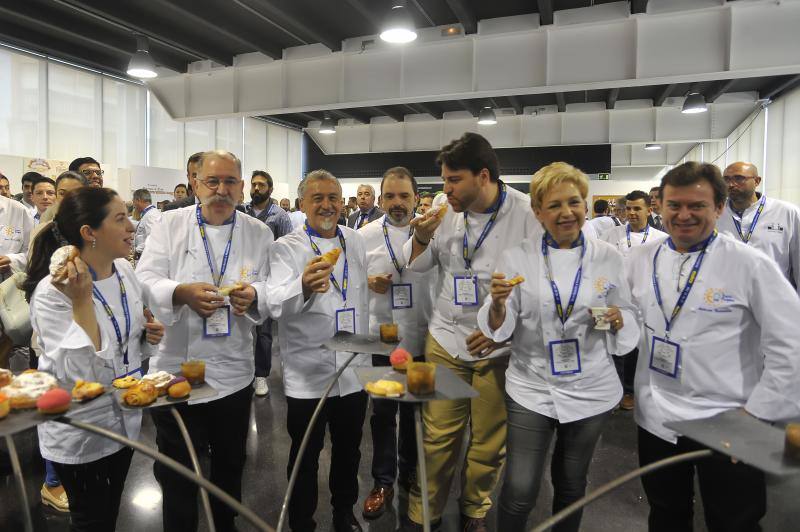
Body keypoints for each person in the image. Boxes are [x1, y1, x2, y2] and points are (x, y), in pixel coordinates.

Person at [627, 161, 800, 532]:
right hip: (658, 417)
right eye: (674, 205)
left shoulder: (750, 264)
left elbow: (792, 345)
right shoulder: (640, 259)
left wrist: (757, 416)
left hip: (731, 418)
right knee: (666, 514)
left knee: (734, 520)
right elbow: (622, 317)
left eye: (697, 206)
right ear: (660, 206)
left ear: (719, 208)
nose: (684, 215)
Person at [478, 162, 637, 532]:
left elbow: (626, 310)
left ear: (586, 203)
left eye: (575, 202)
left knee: (571, 484)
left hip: (590, 388)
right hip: (531, 385)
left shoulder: (609, 257)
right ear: (537, 211)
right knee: (519, 487)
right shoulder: (517, 257)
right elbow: (500, 326)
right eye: (554, 205)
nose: (566, 212)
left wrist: (619, 318)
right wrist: (499, 304)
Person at [401, 132, 541, 532]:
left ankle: (474, 510)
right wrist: (423, 236)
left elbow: (537, 288)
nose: (445, 190)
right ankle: (421, 515)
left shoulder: (526, 215)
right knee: (437, 436)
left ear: (483, 175)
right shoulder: (446, 209)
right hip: (445, 338)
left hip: (497, 348)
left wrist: (505, 333)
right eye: (444, 181)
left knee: (487, 444)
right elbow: (420, 266)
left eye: (453, 180)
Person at [136, 150, 273, 532]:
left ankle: (224, 524)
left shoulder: (258, 232)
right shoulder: (169, 224)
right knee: (177, 469)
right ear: (195, 183)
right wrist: (180, 292)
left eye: (230, 182)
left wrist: (255, 295)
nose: (221, 190)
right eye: (212, 181)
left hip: (233, 370)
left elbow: (269, 284)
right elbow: (144, 278)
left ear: (242, 187)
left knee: (230, 464)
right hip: (176, 367)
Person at [24, 186, 164, 531]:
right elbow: (81, 374)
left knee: (109, 513)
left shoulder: (125, 273)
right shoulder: (53, 292)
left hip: (124, 417)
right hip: (82, 427)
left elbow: (128, 341)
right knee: (91, 521)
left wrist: (147, 336)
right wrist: (82, 301)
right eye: (120, 219)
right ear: (90, 233)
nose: (132, 226)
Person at [263, 169, 370, 532]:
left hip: (353, 370)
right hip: (308, 373)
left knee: (349, 450)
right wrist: (303, 286)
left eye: (333, 198)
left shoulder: (355, 241)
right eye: (317, 198)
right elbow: (275, 303)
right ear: (303, 204)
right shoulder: (286, 248)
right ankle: (301, 521)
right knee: (305, 454)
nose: (326, 205)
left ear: (342, 203)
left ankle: (344, 512)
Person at [358, 167, 432, 519]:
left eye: (404, 196)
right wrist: (365, 283)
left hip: (424, 340)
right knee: (384, 415)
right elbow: (350, 286)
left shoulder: (433, 230)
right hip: (383, 341)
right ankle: (383, 481)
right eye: (390, 196)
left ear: (416, 197)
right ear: (381, 197)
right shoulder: (366, 235)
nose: (397, 203)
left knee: (417, 413)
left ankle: (413, 475)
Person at [601, 190, 668, 410]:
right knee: (614, 347)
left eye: (637, 208)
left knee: (640, 349)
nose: (631, 213)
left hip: (646, 301)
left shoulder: (661, 239)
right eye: (628, 208)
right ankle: (615, 390)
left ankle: (632, 390)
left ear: (649, 210)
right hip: (615, 299)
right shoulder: (612, 234)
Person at [244, 170, 293, 397]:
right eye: (253, 184)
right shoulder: (241, 211)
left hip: (268, 278)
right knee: (242, 328)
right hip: (243, 276)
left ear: (270, 189)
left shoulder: (280, 216)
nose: (256, 189)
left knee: (263, 331)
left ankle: (261, 375)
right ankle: (244, 372)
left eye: (261, 185)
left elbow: (287, 248)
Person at [717, 161, 800, 294]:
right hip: (726, 300)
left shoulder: (786, 213)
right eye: (726, 179)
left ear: (757, 181)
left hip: (774, 298)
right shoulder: (715, 215)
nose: (731, 184)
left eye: (739, 178)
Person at [132, 188, 161, 259]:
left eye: (134, 202)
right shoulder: (149, 214)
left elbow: (154, 238)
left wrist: (137, 250)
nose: (133, 205)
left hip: (149, 258)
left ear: (138, 200)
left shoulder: (151, 215)